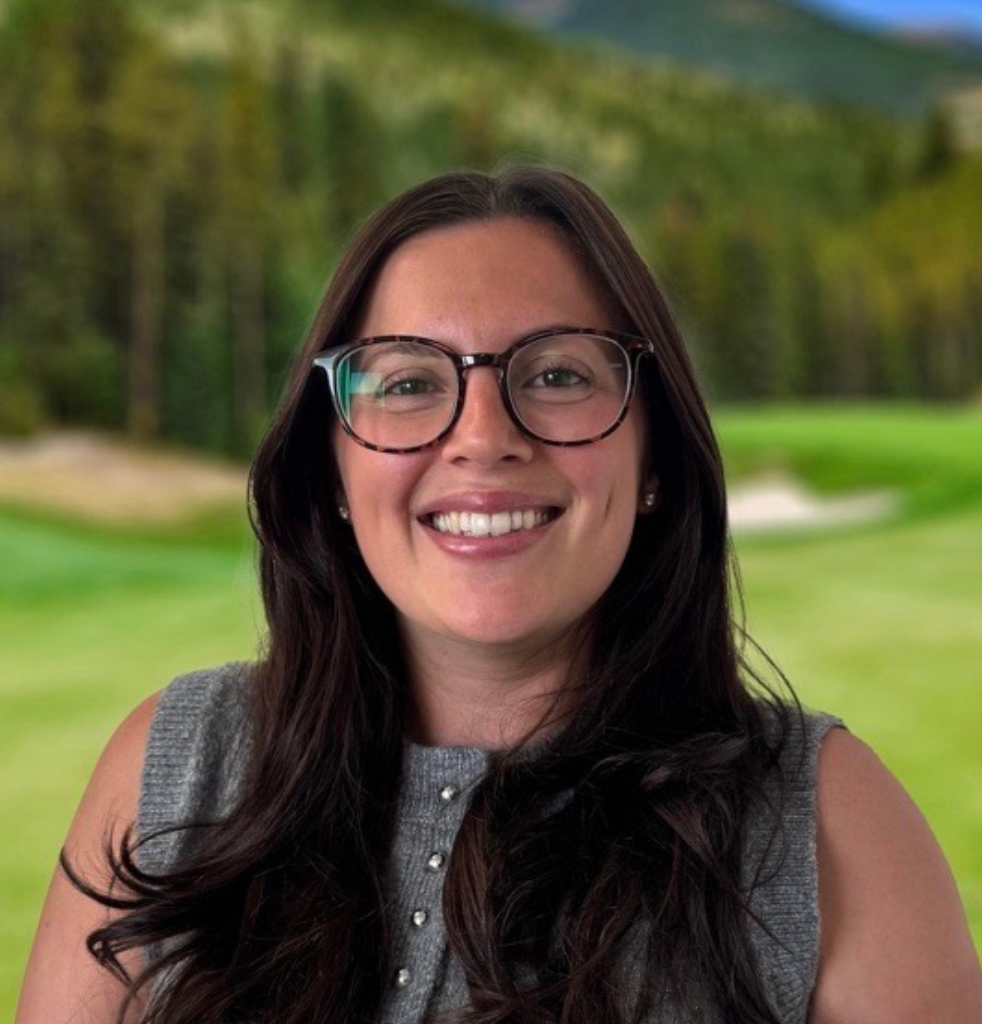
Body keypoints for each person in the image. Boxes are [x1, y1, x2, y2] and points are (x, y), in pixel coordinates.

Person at [16, 166, 982, 1024]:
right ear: (335, 469)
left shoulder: (829, 823)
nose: (482, 437)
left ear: (653, 458)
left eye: (556, 373)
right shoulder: (175, 766)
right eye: (408, 383)